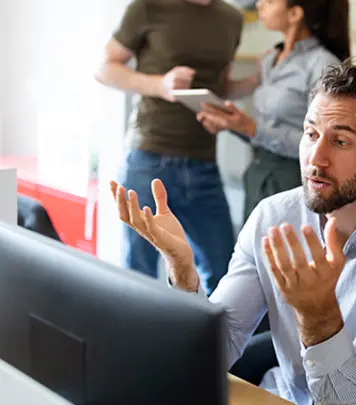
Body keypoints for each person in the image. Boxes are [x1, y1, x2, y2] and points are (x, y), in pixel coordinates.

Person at [111, 61, 356, 405]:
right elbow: (216, 348)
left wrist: (319, 318)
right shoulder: (273, 216)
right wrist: (183, 271)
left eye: (340, 141)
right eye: (310, 134)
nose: (315, 158)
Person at [95, 0, 244, 295]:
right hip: (148, 159)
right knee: (139, 277)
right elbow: (104, 69)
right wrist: (161, 84)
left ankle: (215, 343)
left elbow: (221, 88)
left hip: (204, 163)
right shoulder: (148, 6)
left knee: (226, 276)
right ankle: (141, 342)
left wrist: (260, 79)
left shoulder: (232, 18)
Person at [196, 0, 351, 222]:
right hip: (257, 175)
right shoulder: (270, 60)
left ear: (295, 13)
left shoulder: (323, 66)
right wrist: (232, 126)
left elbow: (321, 143)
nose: (259, 5)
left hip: (293, 183)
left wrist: (252, 128)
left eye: (269, 1)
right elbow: (264, 131)